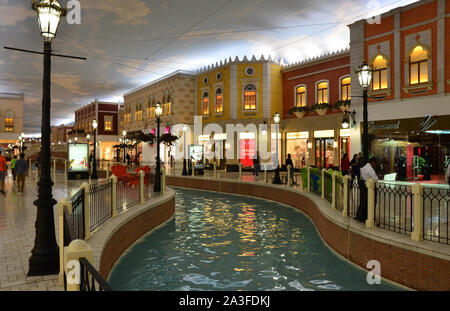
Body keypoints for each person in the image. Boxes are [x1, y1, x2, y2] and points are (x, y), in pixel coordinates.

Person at [357, 157, 379, 222]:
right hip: (371, 189)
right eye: (375, 163)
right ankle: (370, 217)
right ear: (373, 162)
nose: (375, 165)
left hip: (364, 188)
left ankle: (364, 216)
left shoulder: (363, 168)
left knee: (365, 202)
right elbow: (375, 179)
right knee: (372, 202)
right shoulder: (370, 169)